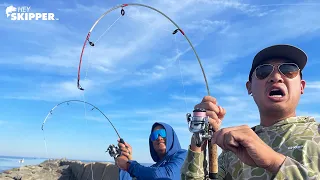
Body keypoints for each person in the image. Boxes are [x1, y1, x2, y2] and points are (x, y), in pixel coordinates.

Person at [181, 44, 320, 179]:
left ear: (301, 86)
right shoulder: (234, 149)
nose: (276, 77)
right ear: (249, 88)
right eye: (263, 72)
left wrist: (274, 162)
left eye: (289, 70)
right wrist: (198, 139)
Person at [116, 122, 187, 180]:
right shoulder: (153, 168)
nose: (159, 138)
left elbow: (168, 175)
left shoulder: (183, 155)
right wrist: (126, 157)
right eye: (154, 135)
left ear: (171, 136)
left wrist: (129, 166)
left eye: (162, 133)